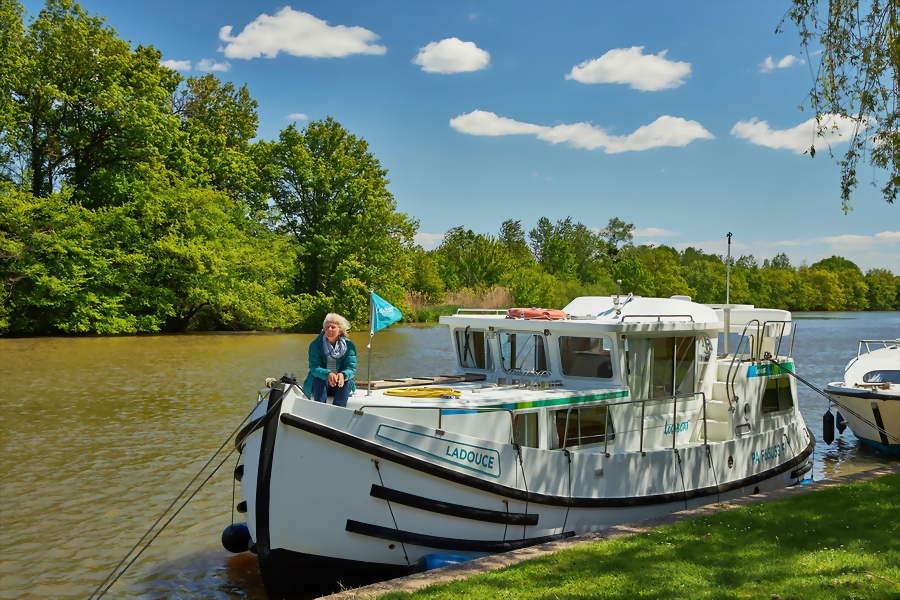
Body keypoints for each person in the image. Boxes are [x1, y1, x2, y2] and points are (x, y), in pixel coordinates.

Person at [302, 313, 357, 407]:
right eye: (327, 327)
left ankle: (338, 412)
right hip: (319, 384)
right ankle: (320, 410)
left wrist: (343, 374)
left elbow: (351, 369)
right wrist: (328, 374)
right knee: (319, 380)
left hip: (338, 384)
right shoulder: (315, 344)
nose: (329, 330)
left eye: (333, 327)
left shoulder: (349, 346)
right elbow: (314, 367)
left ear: (340, 331)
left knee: (347, 382)